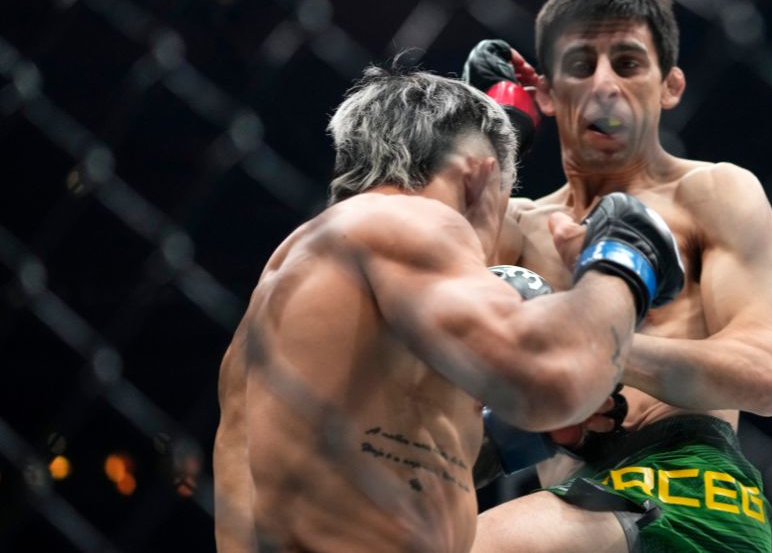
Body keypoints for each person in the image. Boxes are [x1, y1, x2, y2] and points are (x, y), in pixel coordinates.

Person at [212, 67, 685, 553]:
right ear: (480, 174)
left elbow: (363, 460)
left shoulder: (277, 302)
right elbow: (552, 380)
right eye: (505, 197)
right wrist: (624, 262)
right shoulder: (417, 221)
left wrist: (502, 438)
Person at [464, 0, 772, 552]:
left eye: (627, 63)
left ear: (669, 85)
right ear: (546, 92)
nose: (603, 86)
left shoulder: (712, 194)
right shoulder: (510, 224)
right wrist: (478, 141)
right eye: (580, 65)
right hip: (569, 499)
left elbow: (767, 374)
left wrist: (599, 344)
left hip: (688, 492)